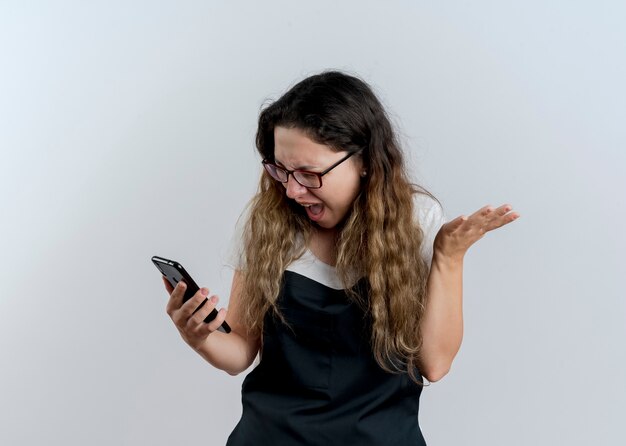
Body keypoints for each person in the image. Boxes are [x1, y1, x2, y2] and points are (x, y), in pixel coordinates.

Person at [162, 71, 519, 445]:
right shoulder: (267, 223)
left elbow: (435, 363)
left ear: (364, 161)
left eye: (309, 174)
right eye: (281, 171)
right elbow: (239, 353)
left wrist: (448, 256)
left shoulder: (416, 219)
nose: (293, 191)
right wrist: (199, 336)